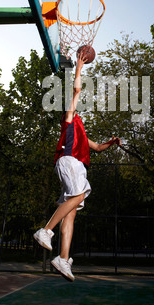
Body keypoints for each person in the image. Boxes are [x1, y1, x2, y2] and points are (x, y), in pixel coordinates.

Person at [34, 51, 121, 281]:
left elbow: (97, 148)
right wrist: (79, 68)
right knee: (78, 195)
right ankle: (45, 230)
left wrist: (111, 143)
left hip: (78, 168)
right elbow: (77, 90)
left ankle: (62, 259)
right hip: (69, 162)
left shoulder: (81, 130)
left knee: (71, 213)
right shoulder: (69, 118)